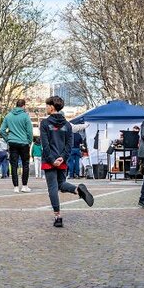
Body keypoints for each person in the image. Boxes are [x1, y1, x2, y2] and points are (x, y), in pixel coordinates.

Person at [40, 96, 94, 227]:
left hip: (49, 160)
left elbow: (45, 145)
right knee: (61, 184)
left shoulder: (45, 123)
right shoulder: (67, 125)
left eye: (47, 105)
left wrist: (52, 160)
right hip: (62, 159)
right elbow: (69, 145)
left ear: (52, 107)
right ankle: (78, 190)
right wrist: (62, 158)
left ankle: (58, 216)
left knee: (53, 187)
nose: (46, 108)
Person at [0, 99, 34, 193]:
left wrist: (8, 139)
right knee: (25, 164)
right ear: (23, 106)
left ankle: (15, 187)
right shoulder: (25, 116)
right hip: (24, 143)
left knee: (14, 165)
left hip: (12, 143)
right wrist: (29, 141)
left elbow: (2, 130)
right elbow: (30, 131)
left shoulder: (8, 116)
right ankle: (24, 186)